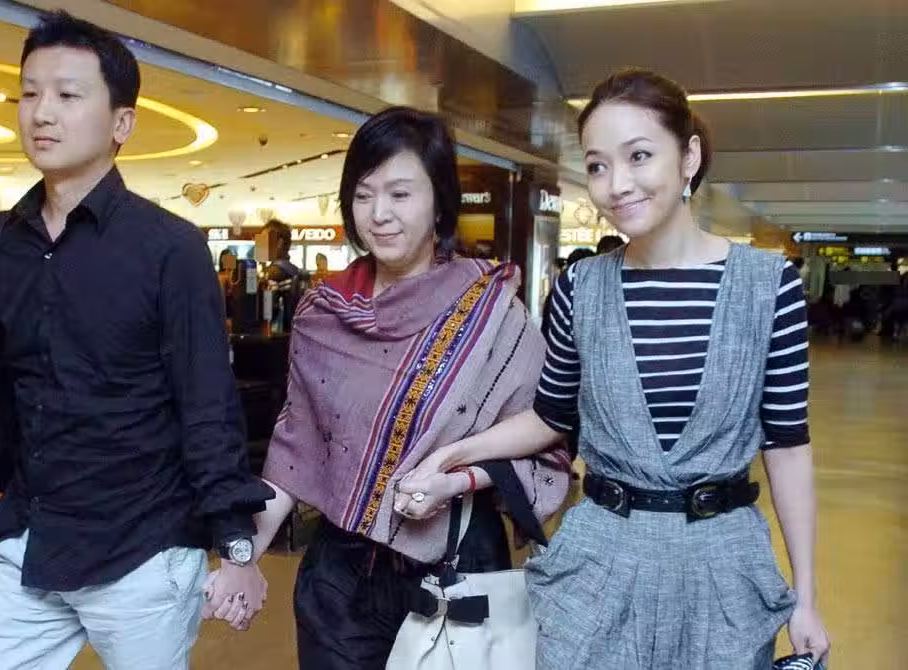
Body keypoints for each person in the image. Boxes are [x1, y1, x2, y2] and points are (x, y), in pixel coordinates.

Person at [399, 69, 830, 669]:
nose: (616, 184)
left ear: (689, 157)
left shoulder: (769, 286)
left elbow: (786, 445)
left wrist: (805, 598)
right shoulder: (580, 286)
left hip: (724, 566)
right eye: (598, 166)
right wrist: (452, 455)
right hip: (600, 561)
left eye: (639, 156)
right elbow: (551, 416)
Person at [0, 11, 273, 669]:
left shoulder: (170, 248)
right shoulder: (2, 239)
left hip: (141, 544)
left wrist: (235, 546)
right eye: (29, 93)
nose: (42, 113)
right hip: (30, 532)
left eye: (68, 95)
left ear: (122, 123)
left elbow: (207, 405)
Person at [202, 106, 571, 668]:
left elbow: (545, 432)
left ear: (439, 201)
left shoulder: (491, 315)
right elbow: (297, 448)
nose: (379, 215)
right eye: (364, 195)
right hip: (340, 577)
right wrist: (243, 556)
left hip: (455, 568)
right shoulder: (323, 313)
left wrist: (457, 477)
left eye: (400, 194)